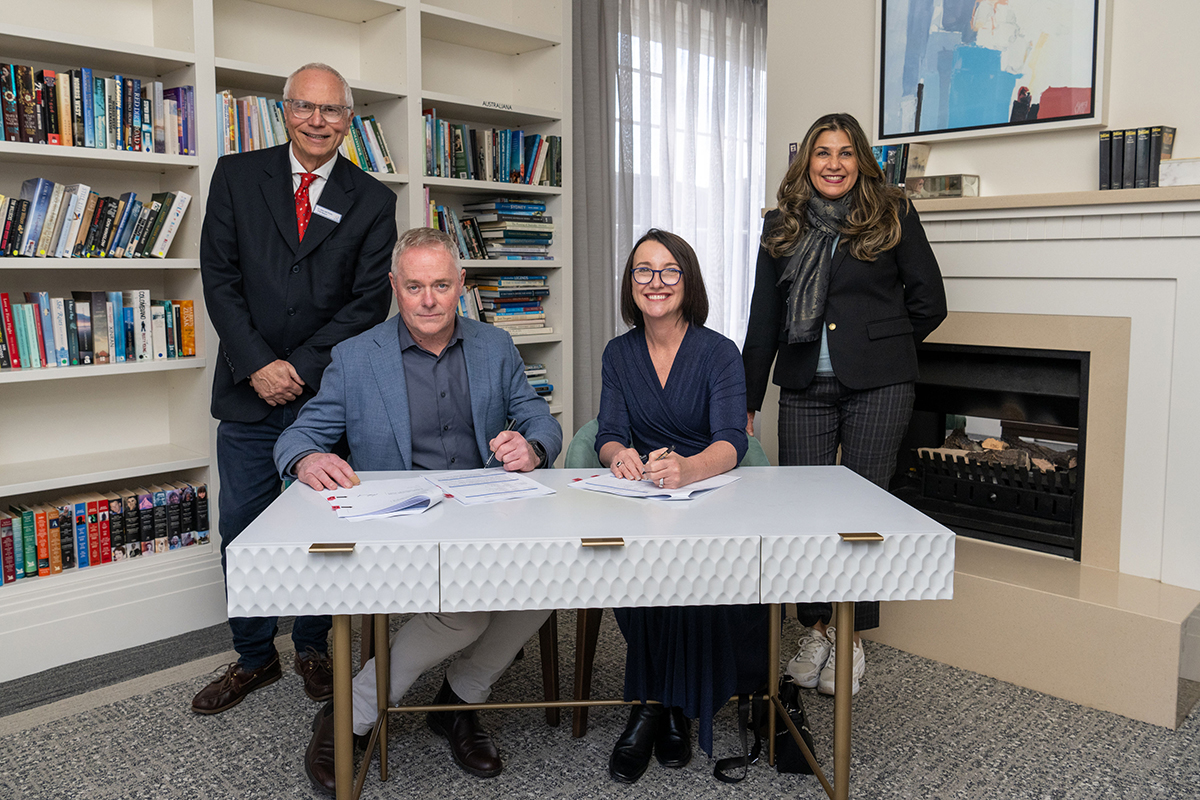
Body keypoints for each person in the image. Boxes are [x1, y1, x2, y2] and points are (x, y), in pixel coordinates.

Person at [274, 227, 562, 795]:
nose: (428, 300)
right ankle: (350, 714)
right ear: (394, 288)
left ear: (461, 286)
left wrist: (532, 446)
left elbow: (539, 417)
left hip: (487, 510)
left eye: (439, 285)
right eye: (413, 287)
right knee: (468, 613)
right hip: (402, 524)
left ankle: (457, 702)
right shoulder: (356, 357)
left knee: (551, 584)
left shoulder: (495, 346)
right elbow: (299, 435)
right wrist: (307, 458)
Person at [193, 62, 398, 715]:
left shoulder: (374, 200)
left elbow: (368, 303)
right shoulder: (235, 175)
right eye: (305, 108)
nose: (317, 121)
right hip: (247, 387)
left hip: (328, 391)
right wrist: (258, 362)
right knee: (241, 526)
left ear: (349, 117)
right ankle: (255, 657)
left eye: (331, 110)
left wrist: (302, 367)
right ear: (284, 110)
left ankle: (313, 646)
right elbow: (219, 279)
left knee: (325, 529)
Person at [742, 112, 947, 696]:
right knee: (805, 513)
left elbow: (930, 301)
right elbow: (764, 321)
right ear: (807, 161)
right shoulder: (780, 226)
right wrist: (747, 398)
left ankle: (850, 635)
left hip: (880, 386)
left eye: (846, 153)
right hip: (805, 384)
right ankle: (816, 627)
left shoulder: (893, 214)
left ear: (862, 161)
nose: (834, 163)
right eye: (822, 152)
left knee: (862, 519)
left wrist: (883, 345)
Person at [594, 228, 757, 781]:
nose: (656, 282)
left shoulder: (719, 352)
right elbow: (609, 433)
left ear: (687, 282)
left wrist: (687, 470)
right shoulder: (618, 353)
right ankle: (663, 708)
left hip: (707, 495)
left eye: (669, 271)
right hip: (641, 499)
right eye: (644, 270)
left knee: (690, 573)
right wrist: (620, 457)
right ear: (630, 283)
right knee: (626, 566)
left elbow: (732, 439)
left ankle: (657, 708)